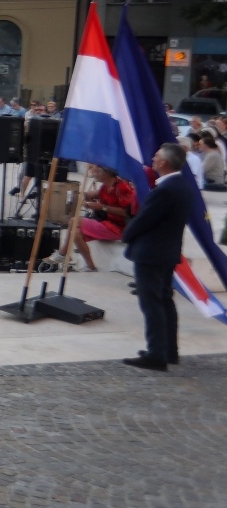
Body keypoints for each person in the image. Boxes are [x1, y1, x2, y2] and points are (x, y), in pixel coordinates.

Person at [121, 144, 192, 371]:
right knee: (164, 301)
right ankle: (168, 350)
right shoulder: (181, 185)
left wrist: (127, 234)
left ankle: (156, 354)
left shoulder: (165, 189)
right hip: (166, 252)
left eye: (157, 156)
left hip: (152, 253)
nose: (153, 158)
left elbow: (144, 219)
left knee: (151, 303)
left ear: (164, 163)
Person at [47, 164, 137, 272]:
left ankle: (62, 253)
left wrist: (103, 207)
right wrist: (90, 202)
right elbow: (95, 196)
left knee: (74, 221)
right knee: (75, 233)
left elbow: (127, 213)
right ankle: (90, 266)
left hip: (118, 227)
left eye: (96, 169)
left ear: (104, 173)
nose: (93, 171)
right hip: (105, 222)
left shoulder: (122, 187)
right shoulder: (104, 187)